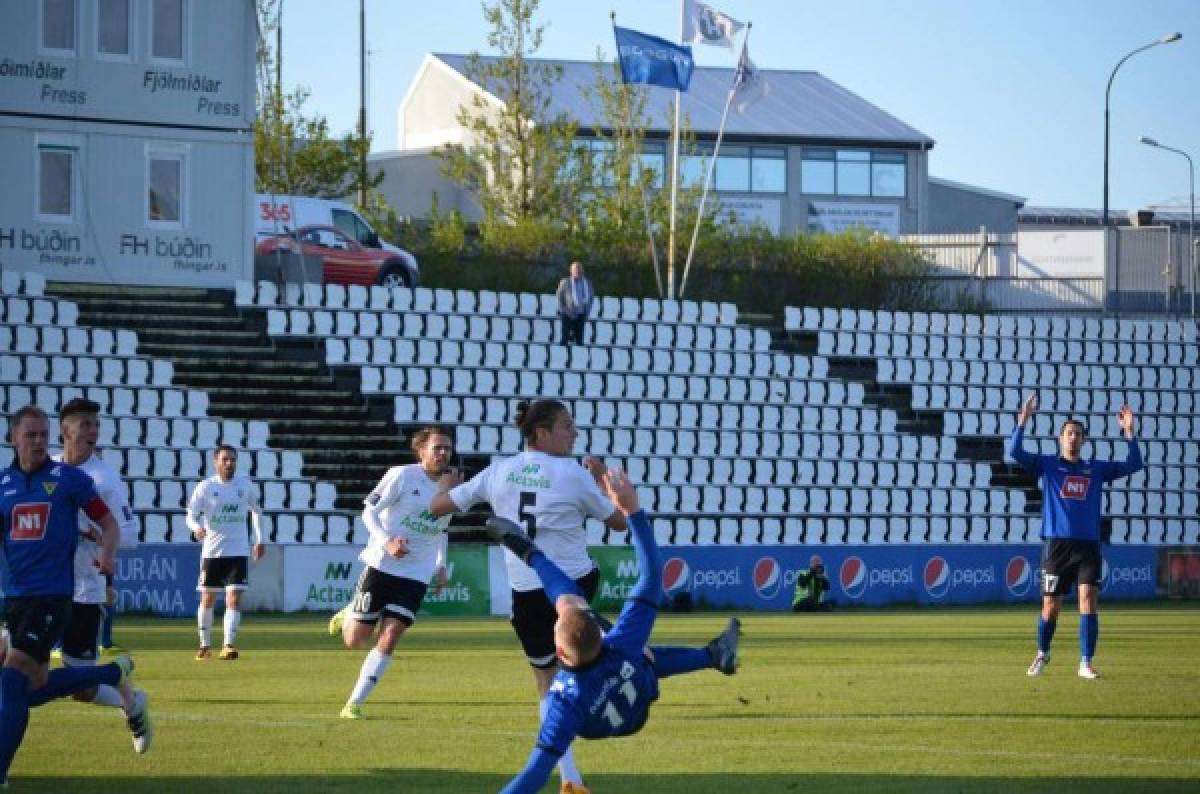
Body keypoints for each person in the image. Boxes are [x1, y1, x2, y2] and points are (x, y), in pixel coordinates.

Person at [487, 466, 741, 794]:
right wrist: (633, 511)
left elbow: (534, 775)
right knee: (637, 651)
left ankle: (531, 554)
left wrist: (532, 557)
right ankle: (714, 656)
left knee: (575, 606)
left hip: (597, 722)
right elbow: (651, 575)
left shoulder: (565, 704)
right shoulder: (621, 643)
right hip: (635, 697)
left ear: (560, 651)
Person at [431, 399, 627, 794]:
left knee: (547, 683)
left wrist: (447, 485)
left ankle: (570, 778)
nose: (574, 433)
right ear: (541, 432)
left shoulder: (498, 471)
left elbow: (437, 508)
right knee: (612, 658)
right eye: (566, 426)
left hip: (527, 595)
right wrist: (603, 476)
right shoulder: (573, 474)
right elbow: (621, 522)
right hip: (573, 587)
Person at [0, 406, 149, 785]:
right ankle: (112, 672)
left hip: (54, 597)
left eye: (42, 435)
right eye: (29, 435)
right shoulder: (3, 485)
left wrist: (108, 553)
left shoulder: (70, 480)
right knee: (31, 690)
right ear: (12, 438)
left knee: (12, 680)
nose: (37, 442)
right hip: (15, 599)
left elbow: (110, 522)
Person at [326, 425, 462, 719]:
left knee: (392, 634)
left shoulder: (451, 488)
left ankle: (354, 704)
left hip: (417, 573)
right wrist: (386, 541)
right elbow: (368, 511)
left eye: (447, 448)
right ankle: (350, 612)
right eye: (437, 447)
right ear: (421, 450)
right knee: (355, 640)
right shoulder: (401, 475)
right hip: (382, 565)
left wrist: (440, 565)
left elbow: (441, 531)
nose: (443, 453)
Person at [1008, 393, 1143, 679]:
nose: (1072, 438)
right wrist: (1023, 420)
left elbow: (1133, 465)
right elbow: (1015, 452)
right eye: (1068, 433)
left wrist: (1129, 433)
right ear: (1060, 438)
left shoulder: (1095, 469)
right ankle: (1042, 653)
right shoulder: (1047, 465)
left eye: (1078, 434)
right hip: (1056, 546)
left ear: (1083, 440)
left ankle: (1086, 662)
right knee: (1050, 607)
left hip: (1087, 546)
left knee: (1088, 600)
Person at [52, 398, 150, 752]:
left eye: (96, 424)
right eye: (85, 424)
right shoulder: (48, 470)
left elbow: (131, 534)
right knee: (16, 663)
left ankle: (131, 699)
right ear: (66, 430)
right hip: (44, 587)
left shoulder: (104, 479)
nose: (93, 431)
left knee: (82, 689)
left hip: (84, 591)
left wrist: (95, 535)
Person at [186, 444, 265, 660]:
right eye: (225, 459)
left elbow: (257, 512)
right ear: (216, 462)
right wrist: (196, 528)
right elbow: (190, 515)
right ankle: (204, 645)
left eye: (232, 459)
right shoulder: (205, 487)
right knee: (208, 599)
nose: (229, 463)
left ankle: (228, 645)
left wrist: (259, 540)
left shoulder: (245, 486)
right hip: (212, 551)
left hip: (238, 551)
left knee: (233, 599)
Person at [555, 261, 595, 347]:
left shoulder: (587, 283)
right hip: (567, 314)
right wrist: (563, 310)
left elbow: (591, 298)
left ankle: (578, 358)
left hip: (581, 314)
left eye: (579, 270)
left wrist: (587, 311)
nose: (577, 272)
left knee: (579, 341)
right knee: (564, 338)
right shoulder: (565, 282)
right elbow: (559, 297)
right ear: (571, 271)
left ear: (582, 271)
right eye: (575, 270)